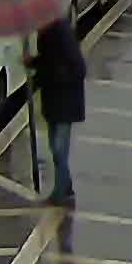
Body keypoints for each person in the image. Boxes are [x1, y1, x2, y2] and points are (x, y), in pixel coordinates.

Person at [30, 14, 87, 206]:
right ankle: (66, 187)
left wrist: (43, 77)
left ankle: (59, 194)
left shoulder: (58, 33)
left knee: (59, 148)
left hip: (65, 100)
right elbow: (48, 60)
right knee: (56, 149)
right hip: (55, 100)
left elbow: (71, 66)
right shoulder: (48, 32)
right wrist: (32, 63)